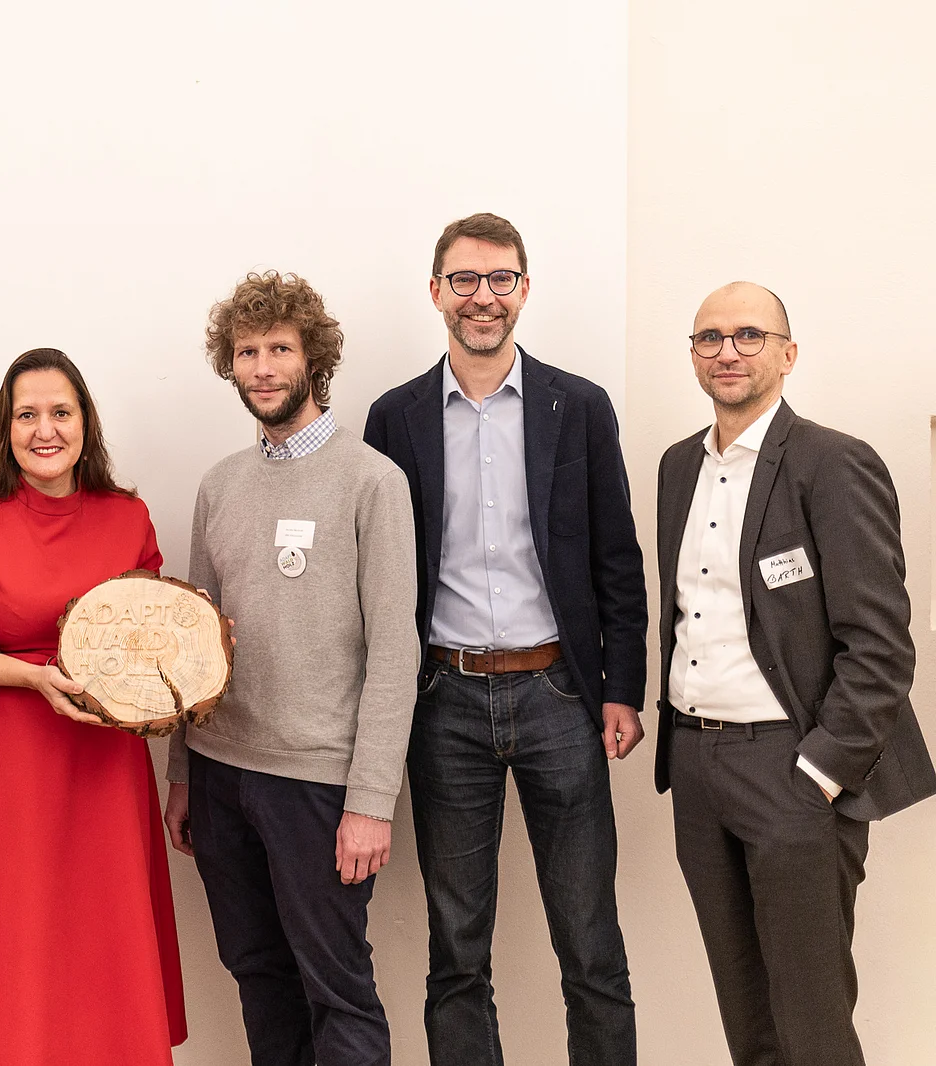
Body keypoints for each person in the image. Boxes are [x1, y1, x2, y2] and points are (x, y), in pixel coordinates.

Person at [364, 212, 647, 1066]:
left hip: (561, 694)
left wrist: (622, 687)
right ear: (436, 291)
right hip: (444, 700)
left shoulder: (580, 406)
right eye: (464, 280)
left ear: (524, 288)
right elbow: (379, 577)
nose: (482, 298)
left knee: (590, 945)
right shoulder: (395, 417)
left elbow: (616, 556)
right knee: (457, 950)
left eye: (499, 280)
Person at [0, 348, 186, 1065]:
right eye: (27, 415)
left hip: (101, 773)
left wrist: (196, 649)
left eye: (60, 413)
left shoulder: (127, 515)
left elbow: (150, 631)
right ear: (5, 427)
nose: (44, 430)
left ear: (86, 424)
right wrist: (34, 677)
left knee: (94, 952)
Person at [654, 282, 936, 1066]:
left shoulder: (834, 463)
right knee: (746, 1015)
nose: (728, 351)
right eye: (709, 337)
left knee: (810, 1019)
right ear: (693, 356)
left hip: (791, 768)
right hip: (699, 769)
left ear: (788, 352)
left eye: (749, 334)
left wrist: (819, 771)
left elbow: (880, 644)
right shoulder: (678, 466)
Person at [165, 271, 417, 1066]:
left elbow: (395, 652)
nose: (264, 367)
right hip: (219, 774)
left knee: (335, 987)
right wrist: (181, 774)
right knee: (255, 971)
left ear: (316, 359)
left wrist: (371, 800)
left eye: (280, 348)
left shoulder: (372, 481)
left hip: (316, 785)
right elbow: (194, 646)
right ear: (229, 365)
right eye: (247, 352)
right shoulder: (220, 486)